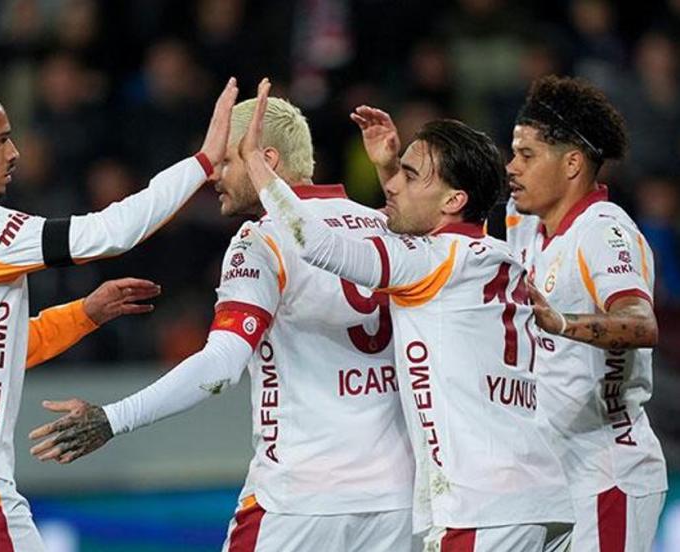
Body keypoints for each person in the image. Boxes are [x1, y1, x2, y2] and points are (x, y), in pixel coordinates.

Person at [28, 93, 417, 551]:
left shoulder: (263, 239)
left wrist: (113, 418)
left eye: (228, 161)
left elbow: (221, 365)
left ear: (266, 160)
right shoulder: (387, 229)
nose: (214, 175)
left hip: (299, 499)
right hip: (398, 500)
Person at [0, 78, 238, 551]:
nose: (14, 154)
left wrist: (85, 313)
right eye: (0, 140)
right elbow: (111, 231)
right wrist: (202, 162)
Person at [241, 79, 574, 550]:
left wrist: (256, 164)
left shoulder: (433, 263)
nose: (394, 185)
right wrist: (388, 167)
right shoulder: (494, 254)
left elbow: (314, 243)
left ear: (454, 200)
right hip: (537, 496)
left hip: (481, 507)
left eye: (410, 176)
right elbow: (414, 233)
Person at [505, 75, 667, 552]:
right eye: (513, 153)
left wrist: (561, 322)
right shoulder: (525, 223)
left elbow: (641, 324)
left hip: (605, 475)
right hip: (549, 475)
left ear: (572, 163)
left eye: (527, 155)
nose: (512, 167)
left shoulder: (603, 231)